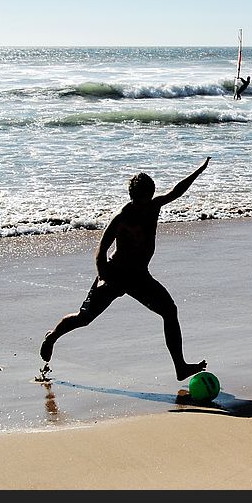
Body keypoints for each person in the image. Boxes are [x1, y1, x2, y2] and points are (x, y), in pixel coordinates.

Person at [40, 157, 212, 381]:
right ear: (132, 198)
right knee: (84, 318)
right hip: (115, 276)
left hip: (140, 277)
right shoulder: (121, 218)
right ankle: (52, 337)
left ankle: (180, 367)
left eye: (147, 200)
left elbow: (176, 191)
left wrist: (199, 170)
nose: (143, 206)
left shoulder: (153, 206)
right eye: (140, 202)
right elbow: (101, 251)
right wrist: (103, 276)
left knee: (170, 311)